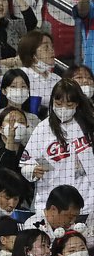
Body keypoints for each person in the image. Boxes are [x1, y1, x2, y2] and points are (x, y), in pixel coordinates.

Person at [21, 79, 94, 211]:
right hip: (52, 205)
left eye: (69, 105)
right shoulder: (42, 129)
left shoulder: (88, 125)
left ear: (77, 104)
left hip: (87, 203)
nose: (63, 109)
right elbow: (26, 164)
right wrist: (32, 170)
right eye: (58, 104)